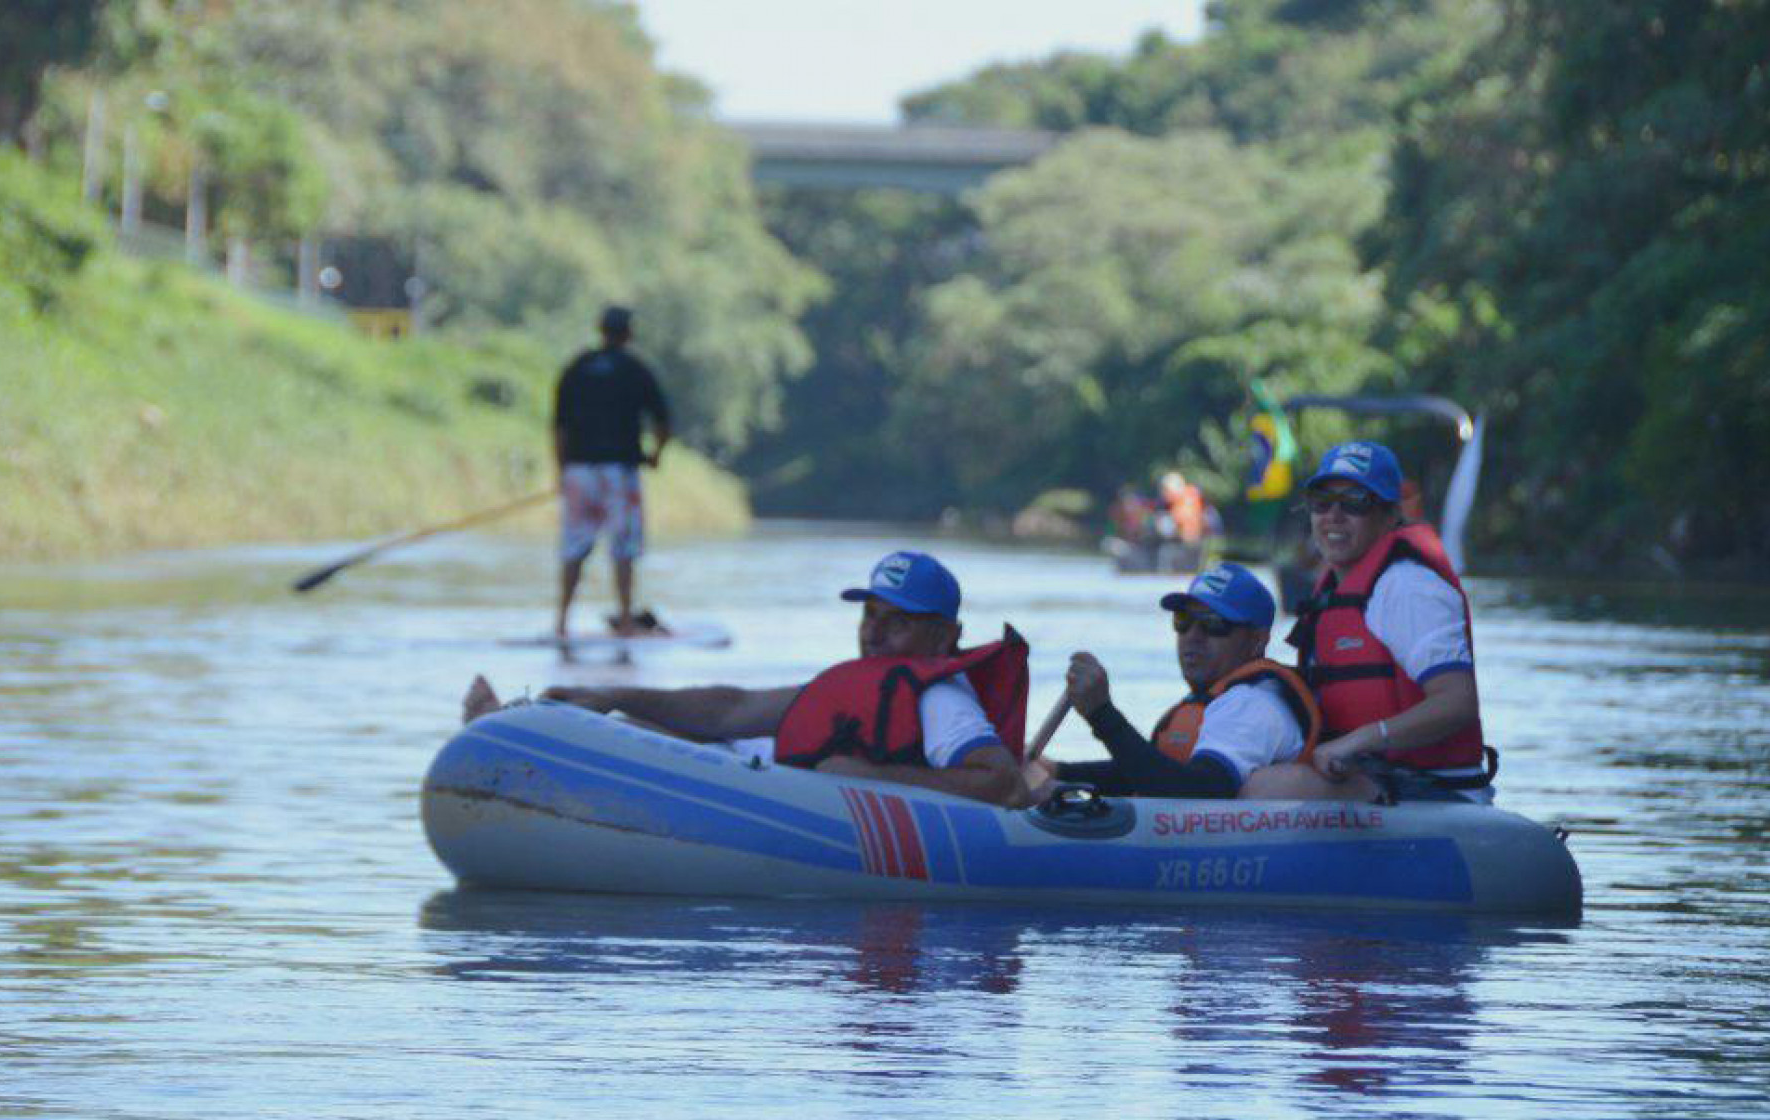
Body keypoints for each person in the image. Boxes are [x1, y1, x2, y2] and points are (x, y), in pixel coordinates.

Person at [464, 551, 1031, 808]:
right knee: (635, 721)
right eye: (870, 615)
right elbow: (730, 709)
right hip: (756, 764)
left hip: (765, 789)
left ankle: (509, 731)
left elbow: (1002, 784)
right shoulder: (869, 683)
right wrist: (608, 694)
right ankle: (516, 724)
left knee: (647, 738)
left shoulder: (940, 700)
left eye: (898, 622)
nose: (874, 634)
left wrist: (872, 776)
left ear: (942, 637)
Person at [1243, 440, 1495, 804]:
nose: (1334, 516)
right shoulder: (1334, 589)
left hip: (1438, 793)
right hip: (1375, 779)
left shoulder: (1408, 587)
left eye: (1355, 502)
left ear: (1390, 515)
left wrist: (1361, 740)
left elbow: (1457, 703)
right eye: (1322, 502)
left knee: (1263, 788)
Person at [1028, 563, 1318, 799]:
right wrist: (1057, 772)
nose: (1193, 635)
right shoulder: (1215, 699)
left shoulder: (1254, 704)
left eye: (1213, 623)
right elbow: (1149, 773)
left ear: (1256, 642)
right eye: (1183, 620)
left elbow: (1194, 795)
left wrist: (1102, 715)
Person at [552, 304, 673, 640]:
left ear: (600, 329)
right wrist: (655, 455)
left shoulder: (577, 368)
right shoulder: (636, 369)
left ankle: (561, 622)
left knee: (574, 546)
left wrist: (562, 472)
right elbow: (663, 422)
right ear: (628, 333)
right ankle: (624, 621)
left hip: (579, 471)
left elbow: (559, 427)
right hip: (620, 473)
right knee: (623, 547)